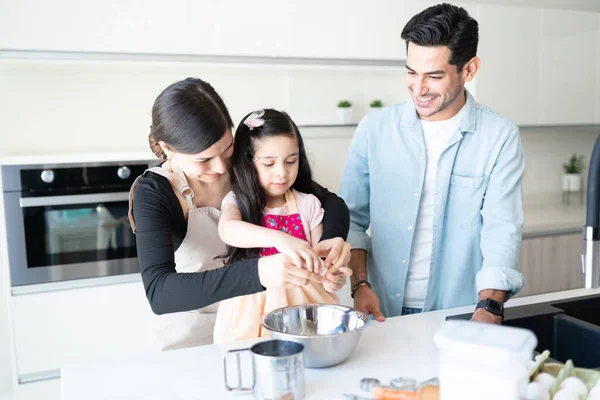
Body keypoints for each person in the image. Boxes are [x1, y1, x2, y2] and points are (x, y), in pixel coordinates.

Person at [128, 78, 352, 350]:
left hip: (262, 326)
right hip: (191, 338)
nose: (222, 168)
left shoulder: (250, 167)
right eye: (203, 160)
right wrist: (260, 272)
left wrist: (332, 241)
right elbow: (160, 292)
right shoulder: (154, 192)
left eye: (226, 149)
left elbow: (331, 202)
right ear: (168, 148)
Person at [338, 3, 525, 324]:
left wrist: (490, 306)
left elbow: (501, 230)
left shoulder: (499, 137)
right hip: (380, 310)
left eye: (434, 75)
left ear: (469, 70)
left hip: (460, 312)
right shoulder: (375, 128)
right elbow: (350, 219)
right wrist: (360, 285)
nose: (419, 88)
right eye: (412, 72)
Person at [213, 109, 341, 343]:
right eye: (269, 163)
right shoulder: (237, 203)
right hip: (248, 314)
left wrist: (332, 277)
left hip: (304, 311)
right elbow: (227, 229)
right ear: (247, 163)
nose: (282, 172)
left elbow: (321, 266)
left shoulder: (308, 205)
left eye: (291, 161)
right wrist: (280, 239)